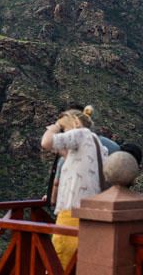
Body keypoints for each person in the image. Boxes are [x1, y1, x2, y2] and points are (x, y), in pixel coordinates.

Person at [41, 106, 109, 269]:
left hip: (71, 216)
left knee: (58, 265)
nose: (63, 133)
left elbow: (46, 142)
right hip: (91, 218)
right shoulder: (97, 143)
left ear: (75, 123)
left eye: (65, 129)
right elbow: (73, 159)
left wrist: (55, 126)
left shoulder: (81, 134)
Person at [48, 103, 119, 206]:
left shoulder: (70, 156)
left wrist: (51, 198)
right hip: (105, 207)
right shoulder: (109, 147)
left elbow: (56, 187)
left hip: (74, 209)